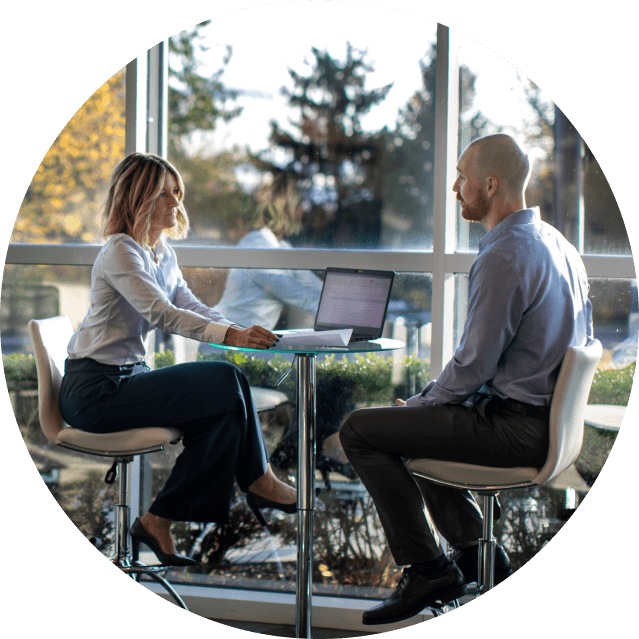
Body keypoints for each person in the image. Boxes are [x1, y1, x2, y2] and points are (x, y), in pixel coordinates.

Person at [339, 133, 594, 624]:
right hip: (544, 426)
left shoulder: (505, 254)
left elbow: (474, 364)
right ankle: (479, 557)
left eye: (462, 177)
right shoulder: (557, 243)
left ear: (491, 184)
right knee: (419, 424)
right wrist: (424, 408)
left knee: (360, 431)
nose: (456, 188)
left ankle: (430, 569)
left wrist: (417, 405)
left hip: (515, 429)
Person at [59, 152, 297, 566]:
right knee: (225, 382)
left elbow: (186, 301)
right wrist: (232, 335)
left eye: (177, 193)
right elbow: (162, 313)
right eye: (164, 194)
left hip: (127, 378)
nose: (176, 203)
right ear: (138, 198)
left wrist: (235, 333)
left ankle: (158, 519)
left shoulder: (160, 251)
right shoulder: (121, 252)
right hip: (94, 391)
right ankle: (259, 479)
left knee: (226, 405)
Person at [213, 181, 322, 329]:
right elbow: (287, 288)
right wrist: (335, 308)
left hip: (248, 339)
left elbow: (312, 284)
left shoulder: (282, 247)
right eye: (297, 206)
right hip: (225, 337)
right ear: (283, 211)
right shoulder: (255, 244)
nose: (302, 212)